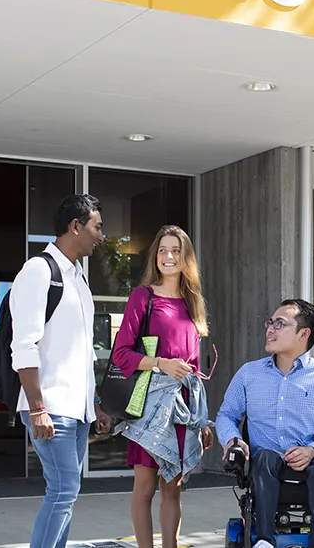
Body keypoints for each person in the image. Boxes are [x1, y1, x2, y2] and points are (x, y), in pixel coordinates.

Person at [11, 194, 114, 548]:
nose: (101, 236)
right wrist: (38, 408)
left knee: (66, 492)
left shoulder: (78, 278)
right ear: (76, 227)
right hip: (51, 406)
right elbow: (24, 345)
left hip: (77, 409)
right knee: (63, 489)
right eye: (97, 227)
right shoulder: (39, 271)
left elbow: (80, 354)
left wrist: (95, 405)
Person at [217, 299, 314, 548]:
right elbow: (226, 415)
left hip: (311, 461)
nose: (270, 329)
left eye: (280, 324)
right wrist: (232, 439)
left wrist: (312, 450)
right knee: (266, 457)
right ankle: (265, 541)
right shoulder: (249, 373)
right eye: (270, 322)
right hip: (265, 465)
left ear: (304, 333)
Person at [112, 225, 212, 548]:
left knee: (173, 488)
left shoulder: (191, 302)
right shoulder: (143, 297)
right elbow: (121, 353)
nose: (168, 257)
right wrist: (161, 364)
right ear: (155, 256)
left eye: (175, 251)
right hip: (151, 404)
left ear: (185, 259)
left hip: (183, 406)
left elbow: (195, 370)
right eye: (162, 250)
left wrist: (203, 419)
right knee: (145, 489)